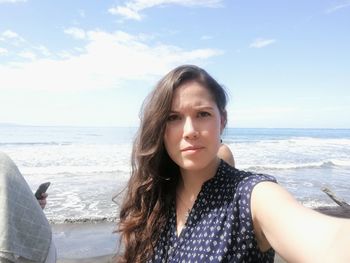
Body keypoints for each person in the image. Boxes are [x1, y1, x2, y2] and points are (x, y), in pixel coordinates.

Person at [116, 65, 350, 263]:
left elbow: (328, 240)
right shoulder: (155, 196)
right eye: (173, 117)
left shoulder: (252, 196)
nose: (190, 131)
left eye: (203, 114)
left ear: (223, 120)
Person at [0, 152, 56, 263]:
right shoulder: (3, 160)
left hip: (25, 252)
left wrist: (34, 207)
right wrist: (33, 207)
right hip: (42, 244)